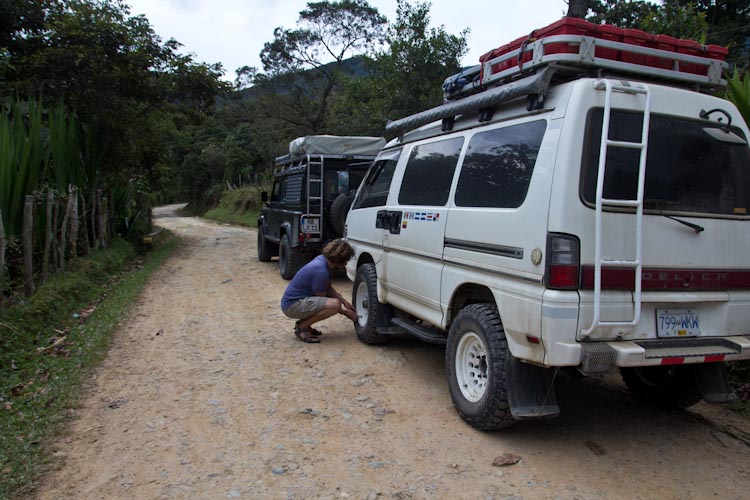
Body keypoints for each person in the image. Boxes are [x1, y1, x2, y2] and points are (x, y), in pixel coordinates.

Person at [280, 239, 358, 343]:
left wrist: (345, 302)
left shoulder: (322, 260)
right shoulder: (321, 271)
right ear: (339, 259)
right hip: (292, 306)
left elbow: (328, 287)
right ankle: (302, 327)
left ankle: (305, 324)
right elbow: (322, 298)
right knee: (334, 305)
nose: (346, 264)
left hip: (295, 302)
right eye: (346, 261)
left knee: (335, 303)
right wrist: (345, 312)